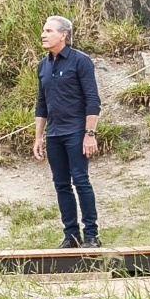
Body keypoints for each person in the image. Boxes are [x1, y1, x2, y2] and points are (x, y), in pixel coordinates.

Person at [32, 14, 102, 248]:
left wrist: (89, 134)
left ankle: (91, 234)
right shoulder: (43, 65)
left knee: (81, 181)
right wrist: (38, 137)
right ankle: (71, 236)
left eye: (49, 31)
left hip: (76, 132)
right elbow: (42, 104)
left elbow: (93, 100)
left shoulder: (80, 61)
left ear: (63, 35)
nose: (43, 34)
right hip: (54, 134)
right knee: (61, 184)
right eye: (43, 30)